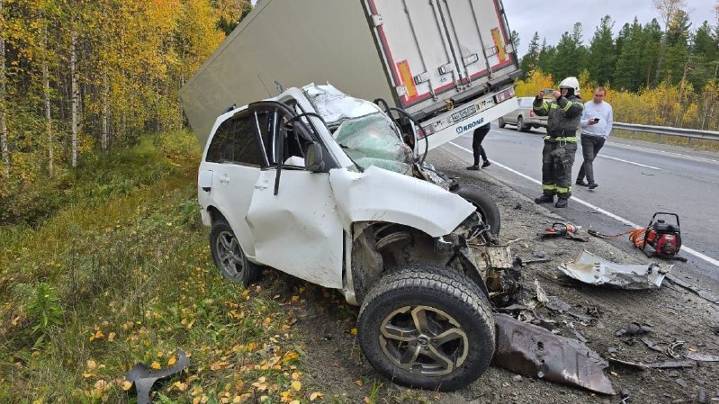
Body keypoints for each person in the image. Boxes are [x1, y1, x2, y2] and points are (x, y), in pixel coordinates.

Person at [532, 77, 584, 208]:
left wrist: (560, 98)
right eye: (562, 89)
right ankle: (548, 194)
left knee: (562, 170)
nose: (563, 91)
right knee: (547, 168)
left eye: (566, 89)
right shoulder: (554, 102)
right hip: (551, 141)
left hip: (565, 143)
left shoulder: (577, 103)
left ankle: (563, 197)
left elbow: (571, 110)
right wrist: (538, 99)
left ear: (573, 90)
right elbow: (540, 110)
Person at [577, 87, 613, 189]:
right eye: (596, 95)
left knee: (590, 159)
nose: (598, 97)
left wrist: (605, 136)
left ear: (604, 96)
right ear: (593, 94)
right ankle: (591, 182)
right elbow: (579, 122)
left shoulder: (608, 107)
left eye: (600, 96)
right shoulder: (586, 105)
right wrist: (588, 122)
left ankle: (579, 179)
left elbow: (610, 123)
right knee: (588, 158)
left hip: (600, 138)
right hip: (587, 136)